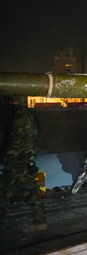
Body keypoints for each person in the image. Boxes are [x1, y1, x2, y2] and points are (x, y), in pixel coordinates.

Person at [0, 97, 47, 232]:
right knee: (31, 191)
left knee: (5, 192)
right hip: (25, 159)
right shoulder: (29, 116)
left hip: (16, 160)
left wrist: (7, 153)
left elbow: (15, 139)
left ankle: (39, 222)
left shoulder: (19, 117)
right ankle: (39, 221)